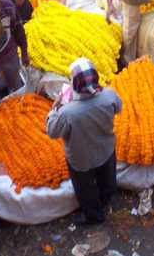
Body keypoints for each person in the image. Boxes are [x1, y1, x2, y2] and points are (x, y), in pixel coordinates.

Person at [46, 57, 122, 225]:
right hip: (105, 150)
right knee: (107, 180)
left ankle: (93, 215)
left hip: (81, 159)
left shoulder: (67, 113)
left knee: (85, 189)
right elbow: (119, 107)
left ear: (74, 84)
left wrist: (54, 109)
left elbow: (52, 132)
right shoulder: (109, 95)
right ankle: (105, 198)